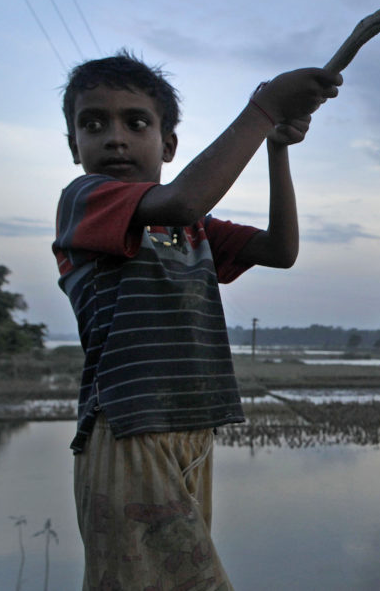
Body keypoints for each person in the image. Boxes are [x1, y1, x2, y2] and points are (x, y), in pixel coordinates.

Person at [52, 49, 341, 589]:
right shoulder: (85, 201)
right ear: (75, 148)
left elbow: (281, 250)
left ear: (168, 145)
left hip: (192, 432)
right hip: (130, 431)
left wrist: (277, 148)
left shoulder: (195, 229)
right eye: (94, 125)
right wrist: (262, 108)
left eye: (135, 122)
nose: (115, 137)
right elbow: (183, 199)